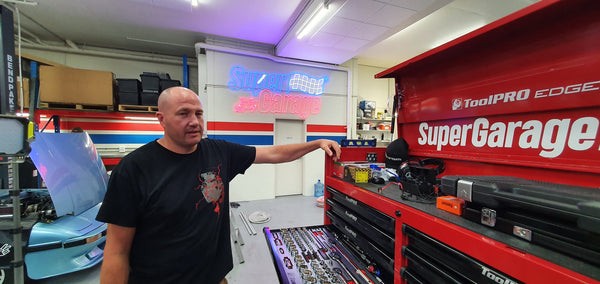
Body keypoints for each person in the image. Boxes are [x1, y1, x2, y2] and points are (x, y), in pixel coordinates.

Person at [96, 86, 341, 284]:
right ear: (161, 119)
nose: (194, 121)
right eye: (183, 113)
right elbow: (116, 252)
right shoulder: (133, 169)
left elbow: (275, 153)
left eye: (198, 113)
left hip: (215, 278)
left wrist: (315, 143)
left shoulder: (218, 152)